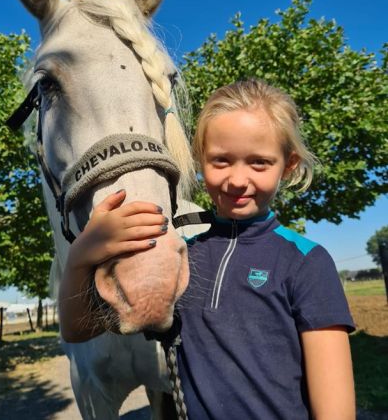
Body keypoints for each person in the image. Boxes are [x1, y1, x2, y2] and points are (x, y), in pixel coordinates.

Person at [59, 79, 356, 419]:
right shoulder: (180, 259)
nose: (237, 180)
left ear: (287, 165)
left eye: (259, 162)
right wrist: (82, 253)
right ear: (199, 161)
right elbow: (78, 329)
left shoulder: (306, 262)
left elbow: (336, 412)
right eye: (221, 161)